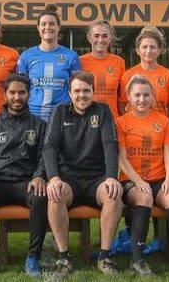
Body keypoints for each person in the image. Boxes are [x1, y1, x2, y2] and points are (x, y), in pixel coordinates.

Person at [43, 72, 122, 277]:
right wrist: (53, 178)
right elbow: (49, 147)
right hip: (68, 178)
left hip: (96, 179)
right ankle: (64, 257)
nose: (82, 95)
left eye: (86, 90)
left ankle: (104, 256)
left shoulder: (103, 110)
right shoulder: (59, 112)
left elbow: (110, 145)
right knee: (55, 194)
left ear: (93, 92)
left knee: (113, 195)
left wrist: (112, 177)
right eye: (77, 91)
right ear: (69, 93)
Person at [116, 75, 169, 279]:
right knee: (144, 197)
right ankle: (138, 260)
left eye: (146, 94)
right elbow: (121, 159)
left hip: (159, 179)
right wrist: (139, 182)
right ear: (129, 97)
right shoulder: (121, 122)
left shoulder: (163, 121)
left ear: (153, 96)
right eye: (137, 95)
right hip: (131, 181)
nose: (142, 99)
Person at [0, 74, 47, 278]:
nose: (17, 97)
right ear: (4, 95)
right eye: (12, 92)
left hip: (27, 182)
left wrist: (39, 176)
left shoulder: (39, 125)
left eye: (21, 92)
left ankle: (33, 258)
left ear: (29, 95)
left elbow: (44, 158)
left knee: (41, 196)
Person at [17, 4, 81, 122]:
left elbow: (77, 89)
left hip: (62, 117)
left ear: (58, 27)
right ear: (38, 28)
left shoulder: (71, 56)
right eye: (43, 24)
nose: (48, 27)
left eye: (52, 23)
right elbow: (20, 89)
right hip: (33, 117)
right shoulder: (26, 56)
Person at [120, 26, 169, 118]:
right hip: (135, 128)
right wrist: (130, 122)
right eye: (145, 47)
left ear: (159, 50)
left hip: (158, 128)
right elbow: (122, 104)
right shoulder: (128, 75)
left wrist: (163, 121)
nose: (148, 51)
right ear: (138, 50)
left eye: (152, 47)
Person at [79, 20, 125, 118]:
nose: (100, 40)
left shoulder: (119, 62)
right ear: (89, 38)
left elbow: (122, 98)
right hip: (86, 121)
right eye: (96, 36)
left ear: (110, 38)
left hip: (111, 121)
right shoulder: (80, 62)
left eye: (104, 36)